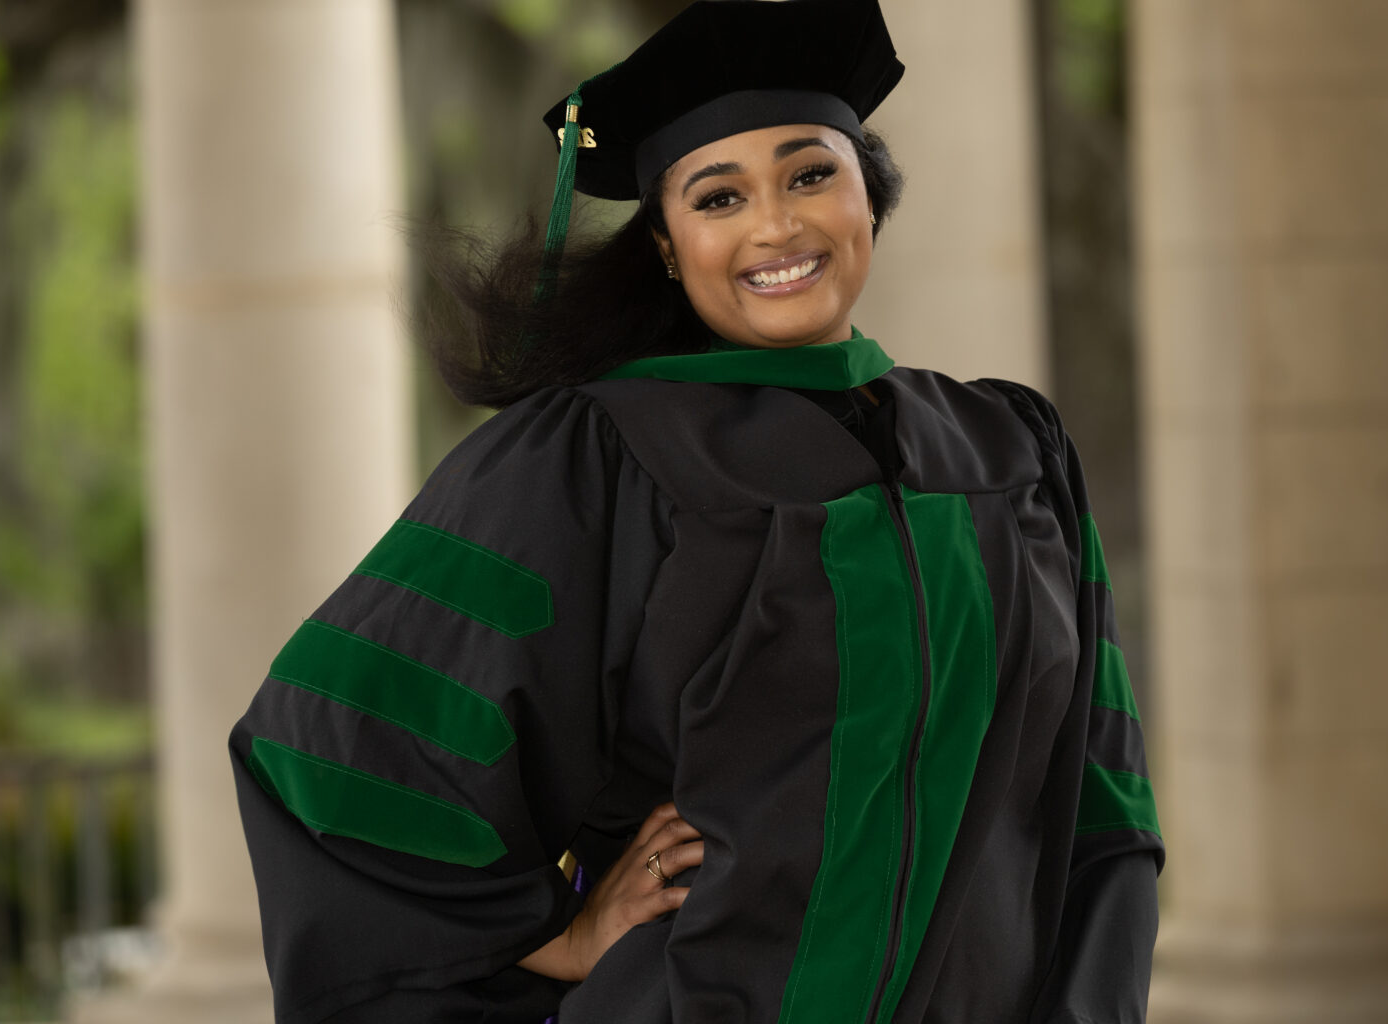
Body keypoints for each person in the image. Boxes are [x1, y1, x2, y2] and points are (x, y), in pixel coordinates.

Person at [229, 1, 1164, 1021]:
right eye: (720, 198)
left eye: (812, 173)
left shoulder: (1010, 453)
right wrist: (552, 933)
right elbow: (342, 748)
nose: (777, 224)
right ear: (670, 248)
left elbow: (1097, 805)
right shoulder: (597, 460)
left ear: (870, 194)